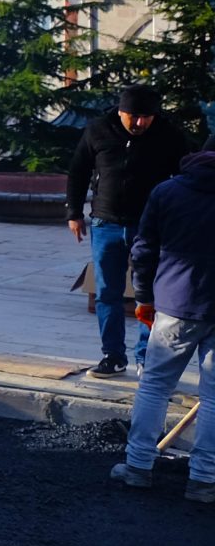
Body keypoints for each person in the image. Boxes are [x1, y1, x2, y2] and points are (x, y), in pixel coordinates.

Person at [110, 149, 215, 502]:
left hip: (176, 303)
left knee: (155, 386)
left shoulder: (168, 192)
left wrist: (142, 297)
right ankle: (203, 480)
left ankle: (138, 466)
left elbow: (144, 249)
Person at [68, 85, 193, 378]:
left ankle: (147, 357)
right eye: (133, 117)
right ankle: (113, 356)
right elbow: (78, 170)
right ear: (121, 111)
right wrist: (74, 213)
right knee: (107, 293)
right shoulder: (98, 130)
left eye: (146, 118)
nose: (139, 124)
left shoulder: (169, 135)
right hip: (105, 223)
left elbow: (187, 176)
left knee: (149, 294)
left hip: (150, 226)